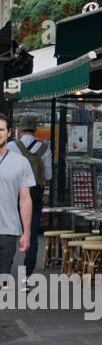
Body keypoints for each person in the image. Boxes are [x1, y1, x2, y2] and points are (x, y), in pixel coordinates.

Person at [0, 114, 35, 281]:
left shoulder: (21, 163)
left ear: (9, 133)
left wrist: (26, 232)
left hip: (8, 231)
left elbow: (25, 198)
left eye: (1, 129)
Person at [14, 126, 49, 284]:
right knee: (32, 233)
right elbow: (48, 174)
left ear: (21, 129)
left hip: (13, 193)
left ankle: (4, 269)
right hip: (35, 194)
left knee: (7, 232)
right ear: (35, 130)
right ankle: (27, 272)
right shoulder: (44, 148)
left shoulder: (11, 146)